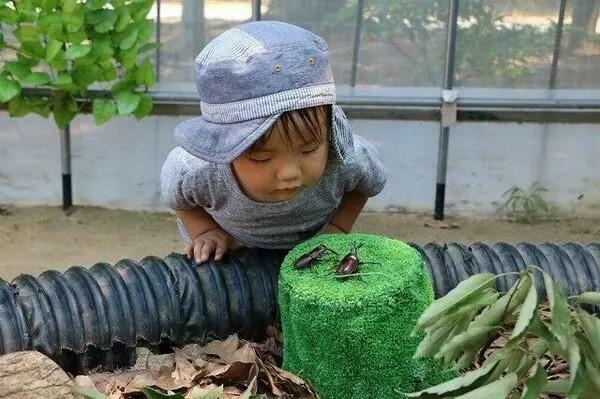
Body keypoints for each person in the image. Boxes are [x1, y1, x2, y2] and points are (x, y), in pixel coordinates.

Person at [160, 20, 386, 264]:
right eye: (262, 157)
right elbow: (178, 200)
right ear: (222, 147)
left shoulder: (347, 157)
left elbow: (366, 185)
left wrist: (338, 228)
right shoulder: (197, 170)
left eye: (309, 149)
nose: (289, 174)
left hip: (312, 251)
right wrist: (204, 231)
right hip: (233, 254)